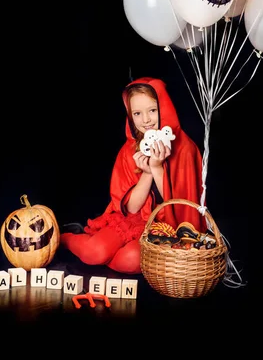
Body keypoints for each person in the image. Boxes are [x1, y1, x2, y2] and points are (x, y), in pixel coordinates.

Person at [60, 76, 207, 274]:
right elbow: (131, 207)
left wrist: (157, 168)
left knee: (131, 260)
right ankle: (65, 238)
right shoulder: (129, 149)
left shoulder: (185, 149)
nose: (145, 120)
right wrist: (146, 173)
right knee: (93, 253)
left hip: (166, 226)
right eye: (137, 113)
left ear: (165, 107)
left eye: (152, 110)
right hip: (133, 219)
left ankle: (106, 256)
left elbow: (182, 208)